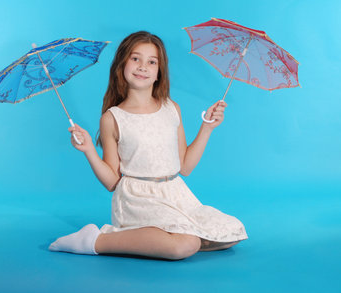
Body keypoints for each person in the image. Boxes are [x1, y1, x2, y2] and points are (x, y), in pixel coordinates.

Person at [49, 31, 248, 260]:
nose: (143, 66)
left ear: (158, 72)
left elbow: (184, 167)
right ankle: (95, 240)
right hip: (137, 199)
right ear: (121, 65)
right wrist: (89, 152)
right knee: (185, 245)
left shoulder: (172, 108)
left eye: (151, 62)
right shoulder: (113, 118)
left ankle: (158, 238)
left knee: (231, 233)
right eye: (135, 59)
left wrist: (207, 128)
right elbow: (113, 181)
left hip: (175, 195)